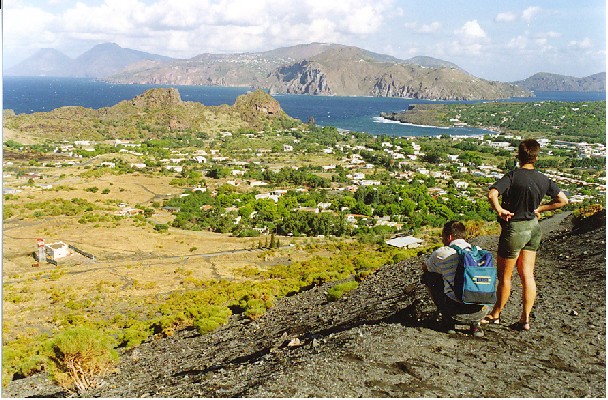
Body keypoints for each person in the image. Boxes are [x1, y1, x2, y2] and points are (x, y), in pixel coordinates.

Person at [485, 138, 568, 331]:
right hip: (533, 228)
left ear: (519, 155)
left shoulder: (513, 176)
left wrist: (499, 210)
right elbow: (563, 200)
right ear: (536, 157)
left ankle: (495, 314)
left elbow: (492, 193)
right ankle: (525, 319)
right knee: (528, 275)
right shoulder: (543, 179)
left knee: (505, 277)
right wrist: (542, 208)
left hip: (515, 228)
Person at [422, 220, 488, 337]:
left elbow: (426, 268)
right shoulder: (479, 251)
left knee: (428, 277)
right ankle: (475, 324)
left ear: (450, 237)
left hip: (454, 311)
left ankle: (448, 321)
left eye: (443, 237)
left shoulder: (442, 253)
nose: (442, 240)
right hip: (481, 310)